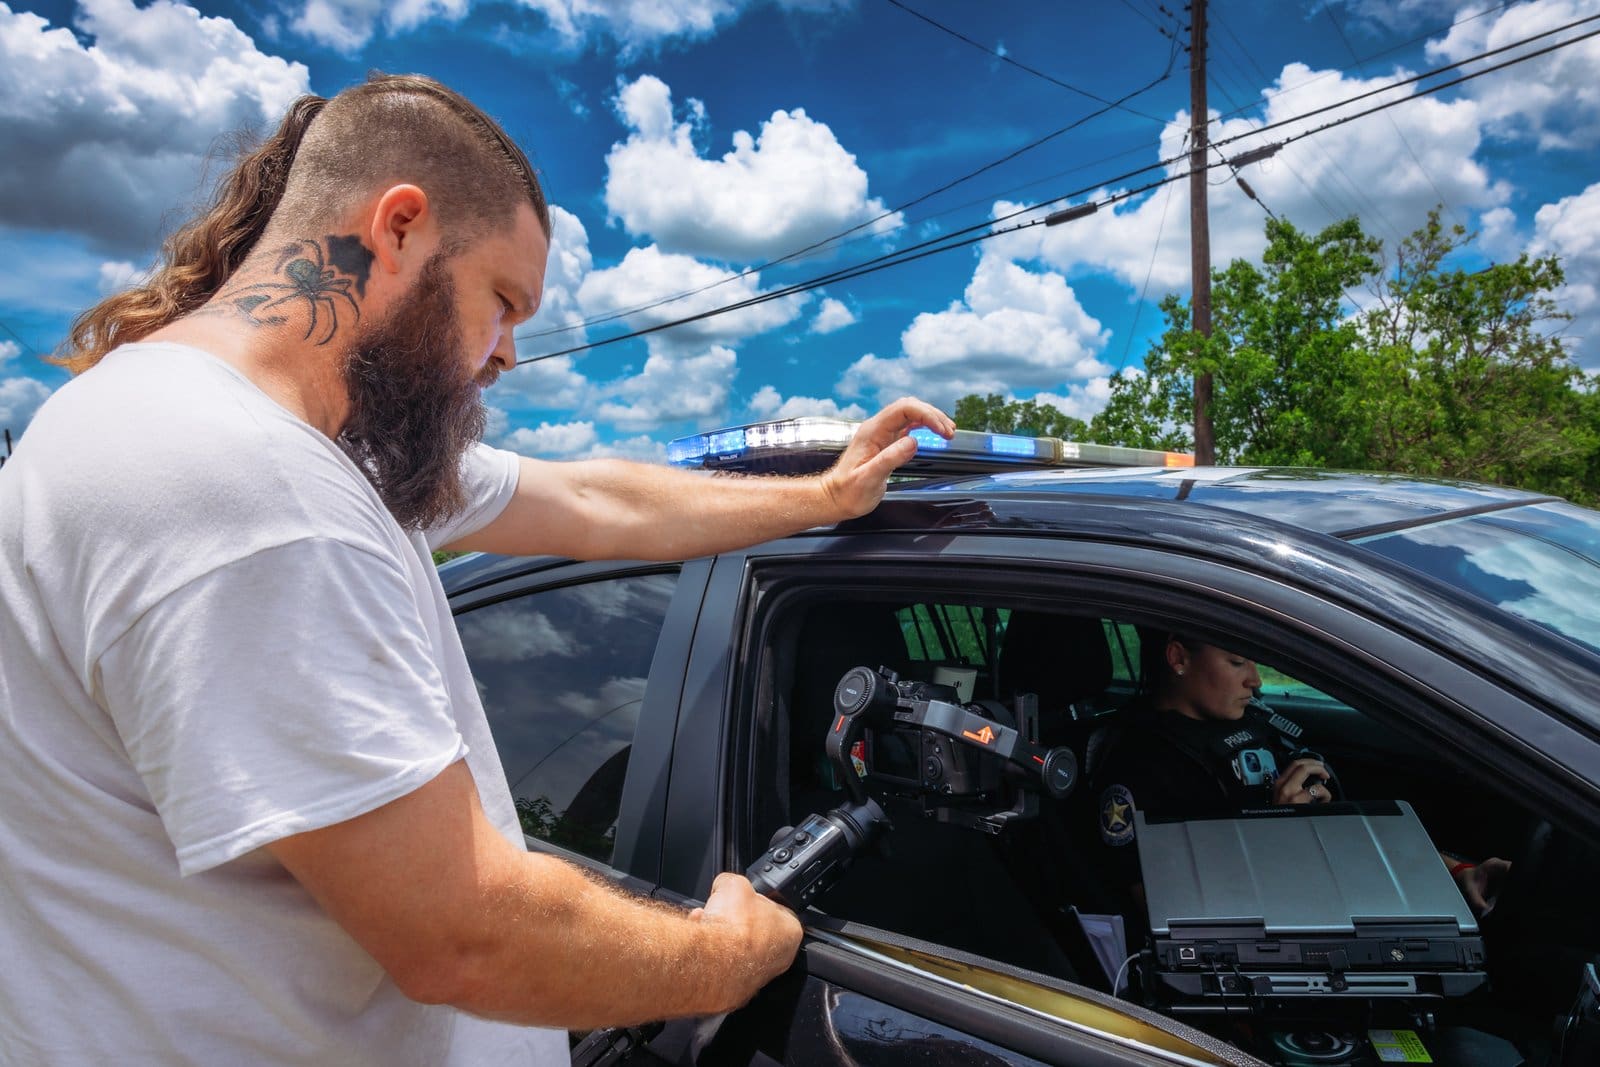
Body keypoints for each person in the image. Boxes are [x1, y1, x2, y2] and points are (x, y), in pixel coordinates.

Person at [0, 74, 956, 1065]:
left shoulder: (300, 444)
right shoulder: (248, 486)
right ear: (400, 226)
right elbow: (462, 931)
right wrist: (726, 954)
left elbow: (595, 501)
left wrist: (822, 496)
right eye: (503, 302)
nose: (505, 355)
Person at [1088, 631, 1509, 923]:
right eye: (1236, 661)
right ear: (1179, 658)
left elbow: (1343, 831)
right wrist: (1279, 830)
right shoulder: (1138, 768)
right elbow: (1171, 919)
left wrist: (1453, 872)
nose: (1254, 680)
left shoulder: (1258, 724)